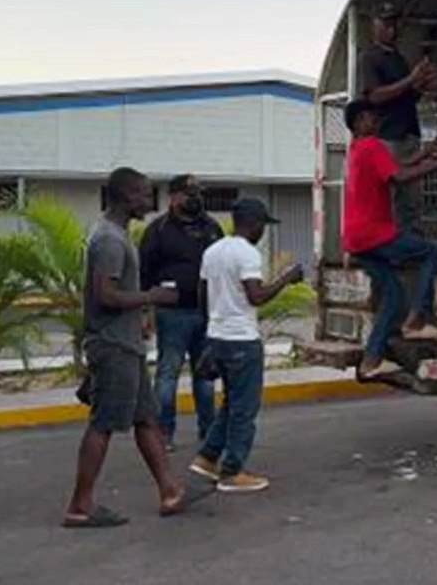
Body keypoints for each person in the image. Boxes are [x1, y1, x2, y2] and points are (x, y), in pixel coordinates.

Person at [64, 167, 190, 528]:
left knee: (146, 419)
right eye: (143, 193)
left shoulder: (116, 234)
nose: (149, 201)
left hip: (127, 345)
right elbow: (106, 296)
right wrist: (152, 296)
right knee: (103, 423)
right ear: (125, 195)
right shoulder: (109, 240)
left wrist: (143, 313)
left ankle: (170, 490)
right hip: (114, 345)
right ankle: (80, 506)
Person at [188, 198, 303, 493]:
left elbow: (202, 296)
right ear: (252, 223)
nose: (263, 231)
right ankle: (233, 471)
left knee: (231, 403)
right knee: (244, 409)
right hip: (242, 340)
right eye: (263, 225)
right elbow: (257, 297)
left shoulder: (212, 251)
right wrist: (287, 278)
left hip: (217, 337)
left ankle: (208, 456)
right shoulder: (247, 254)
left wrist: (211, 331)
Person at [342, 98, 437, 380]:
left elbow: (393, 166)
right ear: (359, 123)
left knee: (392, 295)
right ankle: (416, 318)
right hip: (375, 233)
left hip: (355, 238)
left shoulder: (357, 149)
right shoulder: (371, 144)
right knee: (430, 252)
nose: (377, 121)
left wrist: (424, 153)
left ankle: (371, 361)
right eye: (371, 117)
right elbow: (400, 176)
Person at [140, 173, 224, 451]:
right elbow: (145, 274)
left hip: (206, 313)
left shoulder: (211, 228)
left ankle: (208, 432)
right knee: (167, 374)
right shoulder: (158, 230)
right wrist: (146, 312)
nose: (195, 199)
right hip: (172, 314)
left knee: (206, 375)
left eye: (198, 193)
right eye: (189, 194)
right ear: (174, 196)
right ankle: (164, 433)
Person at [359, 1, 437, 233]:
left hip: (408, 135)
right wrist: (410, 80)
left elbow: (405, 98)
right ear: (374, 26)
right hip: (388, 137)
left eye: (394, 23)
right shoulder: (370, 57)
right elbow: (374, 96)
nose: (392, 29)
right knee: (393, 194)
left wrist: (421, 85)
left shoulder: (399, 58)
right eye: (386, 23)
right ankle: (392, 244)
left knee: (411, 199)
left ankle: (409, 246)